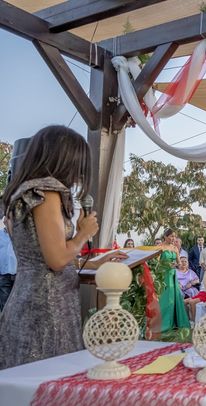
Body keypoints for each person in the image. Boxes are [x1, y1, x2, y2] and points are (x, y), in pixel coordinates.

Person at [0, 125, 127, 369]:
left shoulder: (24, 191)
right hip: (47, 309)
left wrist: (90, 262)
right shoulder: (46, 192)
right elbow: (56, 260)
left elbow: (37, 255)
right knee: (49, 380)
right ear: (65, 158)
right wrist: (83, 234)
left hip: (29, 299)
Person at [158, 228, 191, 333]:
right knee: (165, 300)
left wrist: (176, 265)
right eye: (171, 236)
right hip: (163, 276)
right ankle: (163, 324)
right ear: (165, 237)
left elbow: (179, 263)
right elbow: (156, 263)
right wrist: (165, 265)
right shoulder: (160, 247)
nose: (173, 238)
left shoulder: (175, 248)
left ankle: (175, 323)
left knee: (174, 299)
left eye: (174, 236)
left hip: (172, 275)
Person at [0, 217, 17, 312]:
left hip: (19, 276)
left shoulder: (20, 236)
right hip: (3, 276)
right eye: (7, 219)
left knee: (19, 304)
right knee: (5, 307)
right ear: (5, 221)